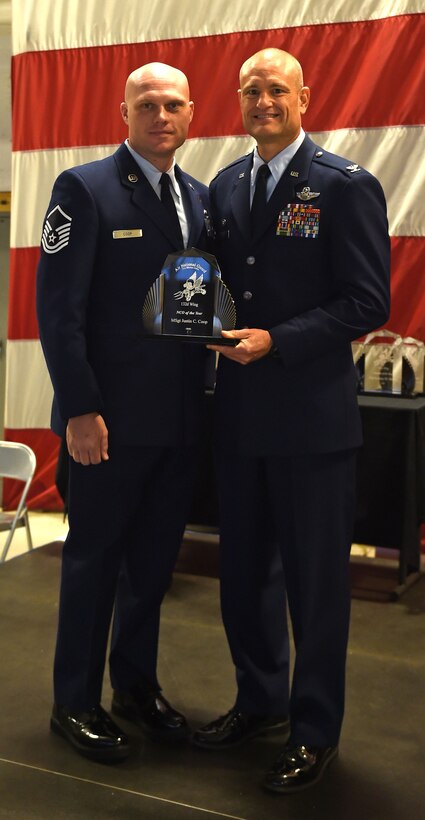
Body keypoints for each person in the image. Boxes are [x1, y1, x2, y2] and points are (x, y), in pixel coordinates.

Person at [191, 48, 390, 792]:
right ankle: (258, 700)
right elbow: (213, 282)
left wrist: (279, 341)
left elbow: (368, 302)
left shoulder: (345, 186)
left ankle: (313, 730)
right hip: (239, 419)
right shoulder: (226, 184)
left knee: (313, 587)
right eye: (251, 90)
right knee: (243, 577)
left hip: (311, 425)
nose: (263, 100)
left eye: (276, 89)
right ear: (237, 101)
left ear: (303, 96)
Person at [36, 62, 214, 762]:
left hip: (176, 421)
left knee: (152, 566)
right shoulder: (83, 188)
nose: (160, 115)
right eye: (147, 104)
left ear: (192, 112)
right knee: (94, 563)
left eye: (172, 104)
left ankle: (134, 686)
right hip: (105, 425)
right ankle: (72, 701)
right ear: (123, 111)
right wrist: (80, 408)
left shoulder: (198, 198)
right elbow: (60, 312)